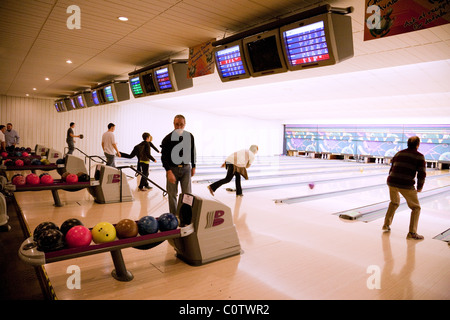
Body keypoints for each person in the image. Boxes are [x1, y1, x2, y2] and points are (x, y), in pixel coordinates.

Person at [382, 136, 426, 240]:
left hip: (391, 181)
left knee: (394, 203)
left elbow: (392, 167)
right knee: (416, 207)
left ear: (407, 144)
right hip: (405, 184)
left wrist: (392, 178)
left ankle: (386, 225)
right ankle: (412, 233)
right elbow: (422, 173)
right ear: (418, 145)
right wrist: (419, 187)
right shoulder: (419, 156)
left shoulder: (399, 153)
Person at [160, 115, 196, 214]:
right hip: (172, 169)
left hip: (186, 169)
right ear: (173, 124)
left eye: (181, 124)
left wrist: (194, 166)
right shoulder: (167, 139)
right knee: (172, 195)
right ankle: (174, 216)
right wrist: (168, 171)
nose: (179, 127)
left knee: (187, 195)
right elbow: (164, 157)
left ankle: (186, 216)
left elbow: (192, 151)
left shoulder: (189, 136)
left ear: (185, 124)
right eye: (177, 124)